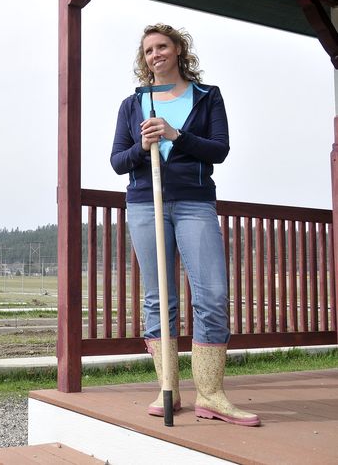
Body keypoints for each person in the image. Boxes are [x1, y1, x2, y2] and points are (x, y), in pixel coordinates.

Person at [110, 23, 260, 427]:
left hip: (195, 204)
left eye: (162, 46)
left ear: (178, 50)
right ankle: (169, 390)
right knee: (159, 299)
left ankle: (211, 395)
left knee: (211, 295)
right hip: (146, 205)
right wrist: (142, 149)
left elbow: (220, 149)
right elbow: (117, 162)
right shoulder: (133, 104)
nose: (155, 54)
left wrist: (177, 135)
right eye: (148, 50)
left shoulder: (207, 97)